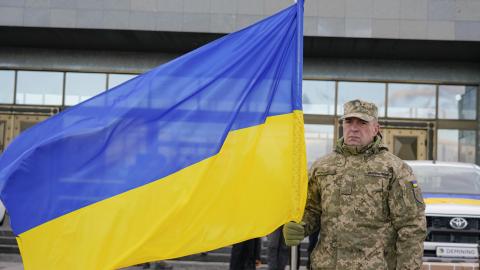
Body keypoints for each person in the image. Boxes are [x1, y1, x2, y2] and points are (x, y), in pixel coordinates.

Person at [283, 99, 427, 270]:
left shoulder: (395, 169)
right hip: (326, 265)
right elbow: (312, 210)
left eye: (362, 122)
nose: (354, 128)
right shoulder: (322, 167)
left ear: (376, 129)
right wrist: (302, 226)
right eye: (349, 121)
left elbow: (411, 226)